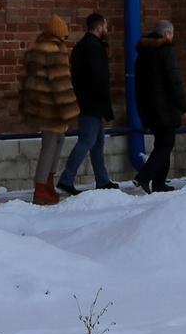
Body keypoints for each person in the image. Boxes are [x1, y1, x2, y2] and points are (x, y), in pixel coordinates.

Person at [19, 15, 79, 206]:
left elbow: (27, 80)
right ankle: (42, 188)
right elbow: (60, 84)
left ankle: (47, 186)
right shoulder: (55, 50)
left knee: (52, 143)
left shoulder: (36, 48)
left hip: (40, 106)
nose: (65, 39)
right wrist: (69, 110)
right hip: (52, 108)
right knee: (52, 145)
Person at [59, 12, 116, 195]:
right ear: (99, 27)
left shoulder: (82, 46)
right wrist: (104, 96)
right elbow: (98, 75)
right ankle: (66, 179)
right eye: (105, 26)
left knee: (97, 142)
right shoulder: (93, 47)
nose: (106, 30)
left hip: (87, 100)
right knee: (87, 140)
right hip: (92, 102)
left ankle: (102, 180)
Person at [132, 19, 186, 191]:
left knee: (162, 142)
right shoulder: (165, 50)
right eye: (171, 35)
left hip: (147, 106)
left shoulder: (143, 52)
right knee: (166, 143)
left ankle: (159, 182)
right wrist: (183, 106)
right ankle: (144, 177)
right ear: (166, 34)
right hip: (164, 106)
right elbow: (174, 80)